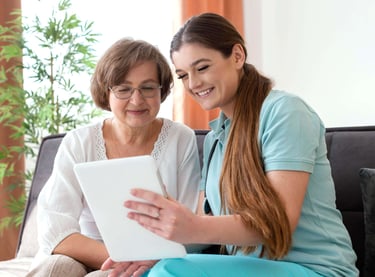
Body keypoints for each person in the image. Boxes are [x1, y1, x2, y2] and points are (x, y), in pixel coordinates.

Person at [101, 13, 359, 277]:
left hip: (317, 270)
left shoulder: (285, 112)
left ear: (237, 56)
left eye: (202, 68)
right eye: (183, 75)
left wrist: (192, 226)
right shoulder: (215, 139)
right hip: (255, 268)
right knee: (150, 271)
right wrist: (153, 253)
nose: (193, 83)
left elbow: (278, 222)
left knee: (167, 272)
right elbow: (204, 233)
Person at [27, 38, 201, 277]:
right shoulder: (79, 142)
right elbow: (54, 228)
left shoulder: (181, 139)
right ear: (106, 92)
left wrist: (134, 262)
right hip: (85, 250)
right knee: (55, 268)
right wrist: (116, 259)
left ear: (161, 90)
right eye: (123, 89)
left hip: (151, 258)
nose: (137, 99)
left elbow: (190, 220)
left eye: (148, 87)